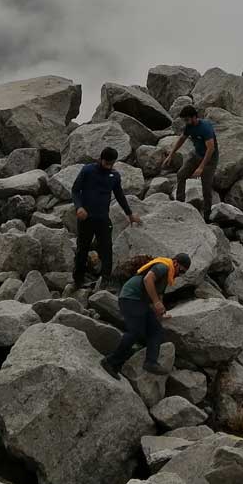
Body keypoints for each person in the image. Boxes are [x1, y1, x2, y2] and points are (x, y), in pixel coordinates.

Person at [101, 253, 191, 377]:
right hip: (131, 298)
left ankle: (150, 362)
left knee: (156, 331)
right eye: (181, 271)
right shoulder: (163, 267)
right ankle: (110, 361)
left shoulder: (167, 275)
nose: (180, 274)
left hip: (140, 302)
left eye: (183, 273)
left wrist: (161, 313)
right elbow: (148, 279)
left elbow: (159, 295)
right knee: (135, 332)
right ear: (175, 262)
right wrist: (156, 302)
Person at [71, 147, 141, 289]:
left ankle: (106, 280)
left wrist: (129, 214)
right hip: (86, 218)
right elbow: (75, 190)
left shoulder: (114, 176)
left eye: (111, 163)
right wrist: (79, 207)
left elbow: (120, 195)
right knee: (82, 249)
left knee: (107, 249)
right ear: (100, 159)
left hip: (103, 218)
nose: (109, 166)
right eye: (107, 163)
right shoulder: (88, 170)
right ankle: (78, 280)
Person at [161, 106, 219, 219]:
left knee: (206, 188)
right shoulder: (189, 126)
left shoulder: (205, 128)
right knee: (181, 175)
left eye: (187, 119)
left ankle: (207, 216)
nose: (185, 122)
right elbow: (182, 139)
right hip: (196, 154)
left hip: (210, 159)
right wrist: (171, 155)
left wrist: (201, 168)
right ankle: (180, 204)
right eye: (184, 120)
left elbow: (211, 149)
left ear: (194, 117)